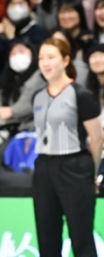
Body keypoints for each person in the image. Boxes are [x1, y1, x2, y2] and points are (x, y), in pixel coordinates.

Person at [32, 38, 103, 257]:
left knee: (80, 236)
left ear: (65, 60)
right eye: (41, 58)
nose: (45, 62)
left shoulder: (81, 95)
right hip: (44, 167)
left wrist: (89, 172)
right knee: (46, 236)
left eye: (51, 57)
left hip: (74, 164)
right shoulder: (38, 96)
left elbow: (97, 138)